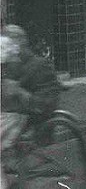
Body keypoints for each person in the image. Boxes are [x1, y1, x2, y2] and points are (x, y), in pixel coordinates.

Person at [1, 25, 61, 188]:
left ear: (19, 43)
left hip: (29, 117)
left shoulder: (38, 65)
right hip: (13, 115)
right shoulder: (11, 64)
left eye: (9, 43)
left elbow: (44, 102)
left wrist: (19, 93)